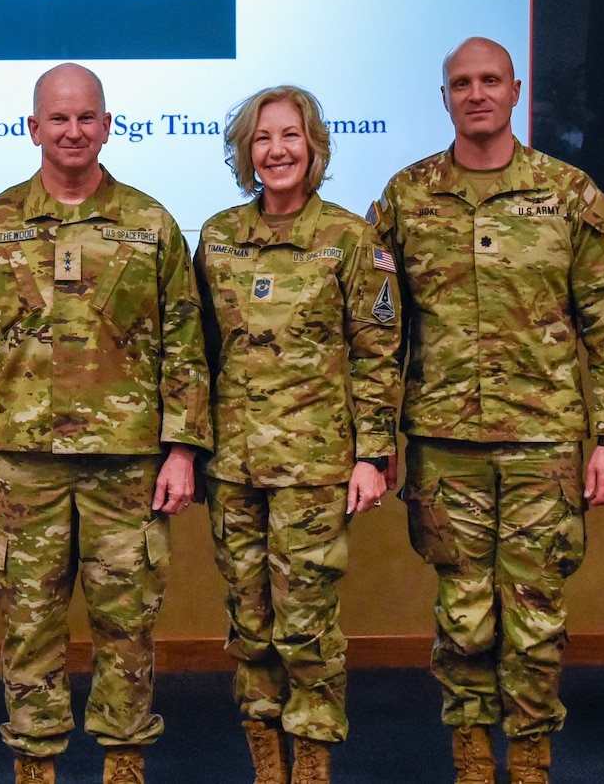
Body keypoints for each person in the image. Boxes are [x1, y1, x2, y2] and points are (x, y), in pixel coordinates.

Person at [371, 37, 604, 784]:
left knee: (536, 612)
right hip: (444, 444)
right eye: (462, 82)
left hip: (543, 442)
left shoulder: (571, 195)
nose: (477, 92)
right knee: (462, 614)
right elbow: (378, 328)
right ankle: (469, 759)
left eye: (491, 79)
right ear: (445, 96)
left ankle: (528, 760)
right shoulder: (404, 198)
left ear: (517, 90)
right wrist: (373, 438)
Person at [0, 63, 210, 784]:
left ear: (107, 124)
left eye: (86, 117)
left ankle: (123, 768)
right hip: (22, 466)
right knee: (29, 630)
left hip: (125, 468)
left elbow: (185, 344)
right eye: (57, 118)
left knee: (127, 631)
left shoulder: (151, 224)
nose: (72, 130)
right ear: (33, 127)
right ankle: (37, 770)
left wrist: (182, 449)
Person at [194, 86, 402, 784]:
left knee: (306, 628)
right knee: (249, 627)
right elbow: (199, 351)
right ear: (244, 152)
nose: (276, 150)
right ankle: (267, 768)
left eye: (290, 135)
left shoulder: (349, 237)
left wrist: (373, 455)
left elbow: (378, 354)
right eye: (261, 138)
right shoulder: (218, 235)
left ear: (315, 144)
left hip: (315, 467)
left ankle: (311, 768)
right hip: (233, 466)